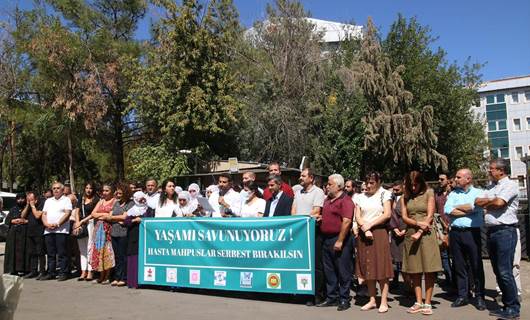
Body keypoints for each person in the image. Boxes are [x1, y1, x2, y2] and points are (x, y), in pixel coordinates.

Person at [475, 158, 520, 319]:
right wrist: (490, 201)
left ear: (501, 170)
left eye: (492, 169)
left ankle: (513, 308)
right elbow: (477, 201)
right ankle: (507, 305)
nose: (489, 171)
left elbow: (500, 202)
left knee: (504, 271)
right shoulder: (492, 187)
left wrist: (489, 202)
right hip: (492, 232)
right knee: (497, 270)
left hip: (505, 231)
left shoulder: (510, 185)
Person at [401, 171, 442, 315]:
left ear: (421, 182)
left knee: (429, 269)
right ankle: (418, 301)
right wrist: (417, 224)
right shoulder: (404, 197)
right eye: (410, 185)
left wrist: (421, 230)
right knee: (415, 269)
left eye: (415, 184)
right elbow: (405, 217)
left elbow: (430, 214)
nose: (413, 188)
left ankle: (428, 302)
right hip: (411, 233)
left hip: (427, 233)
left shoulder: (429, 193)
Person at [444, 169, 486, 310]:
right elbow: (447, 210)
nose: (455, 179)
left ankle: (480, 296)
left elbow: (475, 207)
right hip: (455, 233)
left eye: (458, 177)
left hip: (471, 232)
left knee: (476, 265)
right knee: (459, 265)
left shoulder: (479, 193)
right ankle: (463, 295)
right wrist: (466, 209)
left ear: (468, 179)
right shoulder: (453, 193)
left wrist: (457, 209)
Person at [354, 172, 393, 313]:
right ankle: (372, 299)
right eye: (367, 182)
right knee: (367, 266)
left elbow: (387, 214)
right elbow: (357, 215)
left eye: (372, 182)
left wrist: (369, 226)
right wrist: (364, 228)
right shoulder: (360, 197)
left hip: (379, 232)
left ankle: (383, 301)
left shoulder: (385, 194)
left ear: (378, 182)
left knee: (381, 267)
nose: (369, 185)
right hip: (364, 234)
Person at [316, 174, 354, 311]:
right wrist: (321, 218)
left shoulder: (346, 201)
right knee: (329, 270)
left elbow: (347, 221)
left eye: (330, 184)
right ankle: (332, 297)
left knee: (343, 270)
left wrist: (340, 240)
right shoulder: (327, 200)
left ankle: (344, 299)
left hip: (339, 239)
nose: (327, 186)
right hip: (326, 239)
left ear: (339, 186)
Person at [292, 168, 326, 306]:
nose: (301, 178)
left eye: (303, 175)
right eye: (301, 175)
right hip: (300, 233)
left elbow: (316, 210)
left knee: (316, 264)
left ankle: (317, 294)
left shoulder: (318, 192)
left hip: (313, 232)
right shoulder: (298, 192)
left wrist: (302, 221)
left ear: (311, 178)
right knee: (302, 264)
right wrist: (296, 221)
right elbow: (293, 210)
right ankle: (304, 293)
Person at [80, 183, 116, 284]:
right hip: (98, 228)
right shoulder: (101, 201)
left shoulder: (114, 201)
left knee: (107, 252)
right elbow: (93, 214)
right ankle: (101, 275)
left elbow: (110, 215)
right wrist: (102, 214)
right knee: (99, 251)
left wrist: (101, 215)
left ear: (111, 191)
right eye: (103, 191)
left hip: (108, 228)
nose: (104, 193)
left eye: (107, 191)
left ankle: (108, 276)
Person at [41, 182, 73, 281]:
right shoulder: (48, 201)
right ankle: (51, 272)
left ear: (62, 190)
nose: (55, 190)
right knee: (50, 253)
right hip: (48, 230)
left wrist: (58, 224)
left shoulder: (66, 200)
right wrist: (46, 224)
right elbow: (43, 214)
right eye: (54, 188)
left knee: (62, 253)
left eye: (58, 188)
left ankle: (64, 272)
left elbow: (68, 213)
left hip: (61, 230)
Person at [105, 183, 133, 286]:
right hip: (114, 232)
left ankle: (124, 277)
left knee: (123, 256)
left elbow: (125, 217)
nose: (118, 194)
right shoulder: (116, 203)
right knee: (116, 256)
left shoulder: (130, 203)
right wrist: (116, 218)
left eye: (120, 192)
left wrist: (113, 218)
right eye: (117, 192)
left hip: (124, 232)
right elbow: (109, 215)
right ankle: (117, 277)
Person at [124, 191, 154, 289]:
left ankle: (144, 281)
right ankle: (133, 282)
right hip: (134, 237)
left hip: (146, 237)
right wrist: (134, 220)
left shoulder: (149, 209)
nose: (142, 200)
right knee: (134, 257)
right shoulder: (132, 210)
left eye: (143, 198)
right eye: (140, 199)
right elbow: (126, 222)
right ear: (136, 200)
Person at [72, 182, 99, 281]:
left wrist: (82, 221)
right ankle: (84, 271)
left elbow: (93, 214)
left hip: (90, 223)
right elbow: (77, 211)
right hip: (81, 224)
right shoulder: (81, 198)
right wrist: (77, 222)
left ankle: (91, 270)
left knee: (90, 248)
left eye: (90, 188)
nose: (88, 190)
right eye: (87, 188)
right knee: (82, 249)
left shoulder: (96, 199)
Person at [3, 193, 30, 276]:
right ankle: (13, 269)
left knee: (25, 251)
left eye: (22, 198)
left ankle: (25, 269)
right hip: (13, 234)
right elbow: (7, 221)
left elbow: (32, 220)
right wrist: (13, 221)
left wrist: (25, 221)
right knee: (13, 251)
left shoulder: (28, 209)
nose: (20, 200)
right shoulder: (13, 209)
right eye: (18, 199)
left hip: (25, 233)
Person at [388, 180, 408, 290]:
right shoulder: (391, 199)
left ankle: (409, 286)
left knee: (405, 260)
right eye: (394, 190)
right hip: (394, 232)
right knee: (395, 258)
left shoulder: (406, 199)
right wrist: (394, 228)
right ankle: (395, 281)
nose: (395, 192)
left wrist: (405, 229)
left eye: (397, 190)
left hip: (405, 231)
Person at [435, 173, 453, 290]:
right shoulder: (438, 195)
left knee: (456, 257)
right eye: (439, 179)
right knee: (444, 256)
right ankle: (449, 280)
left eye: (442, 179)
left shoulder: (454, 194)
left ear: (449, 181)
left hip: (454, 228)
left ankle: (459, 282)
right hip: (442, 229)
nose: (439, 181)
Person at [25, 192, 47, 279]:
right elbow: (23, 215)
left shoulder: (42, 204)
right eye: (28, 199)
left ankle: (42, 271)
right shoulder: (29, 206)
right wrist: (27, 205)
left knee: (40, 252)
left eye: (31, 199)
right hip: (30, 232)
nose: (30, 201)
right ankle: (33, 271)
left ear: (36, 199)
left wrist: (33, 206)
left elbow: (37, 216)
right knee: (32, 252)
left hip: (39, 232)